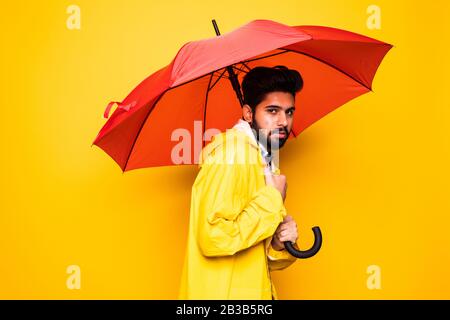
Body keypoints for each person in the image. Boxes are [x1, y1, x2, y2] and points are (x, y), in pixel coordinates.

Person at [178, 65, 304, 300]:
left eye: (289, 112)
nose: (283, 121)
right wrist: (272, 200)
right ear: (248, 113)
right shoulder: (232, 155)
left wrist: (278, 243)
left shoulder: (261, 159)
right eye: (272, 111)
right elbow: (213, 237)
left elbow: (249, 251)